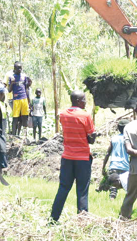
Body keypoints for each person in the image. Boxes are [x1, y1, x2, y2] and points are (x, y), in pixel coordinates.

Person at [50, 90, 97, 223]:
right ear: (78, 101)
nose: (85, 102)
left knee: (63, 188)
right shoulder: (85, 116)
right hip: (82, 158)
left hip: (67, 157)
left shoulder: (63, 114)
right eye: (84, 100)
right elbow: (91, 139)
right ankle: (82, 221)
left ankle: (53, 218)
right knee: (82, 190)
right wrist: (93, 136)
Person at [101, 118, 131, 199]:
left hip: (114, 165)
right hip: (125, 166)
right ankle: (127, 201)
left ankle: (111, 199)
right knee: (127, 185)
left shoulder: (114, 138)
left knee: (113, 185)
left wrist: (103, 166)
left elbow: (108, 153)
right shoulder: (129, 139)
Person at [8, 61, 32, 137]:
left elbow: (26, 89)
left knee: (25, 117)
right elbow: (9, 90)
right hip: (16, 99)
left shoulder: (24, 77)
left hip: (24, 99)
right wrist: (12, 83)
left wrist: (29, 101)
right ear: (14, 69)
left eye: (21, 68)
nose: (20, 69)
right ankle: (14, 136)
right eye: (18, 68)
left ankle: (25, 135)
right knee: (15, 118)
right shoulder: (12, 78)